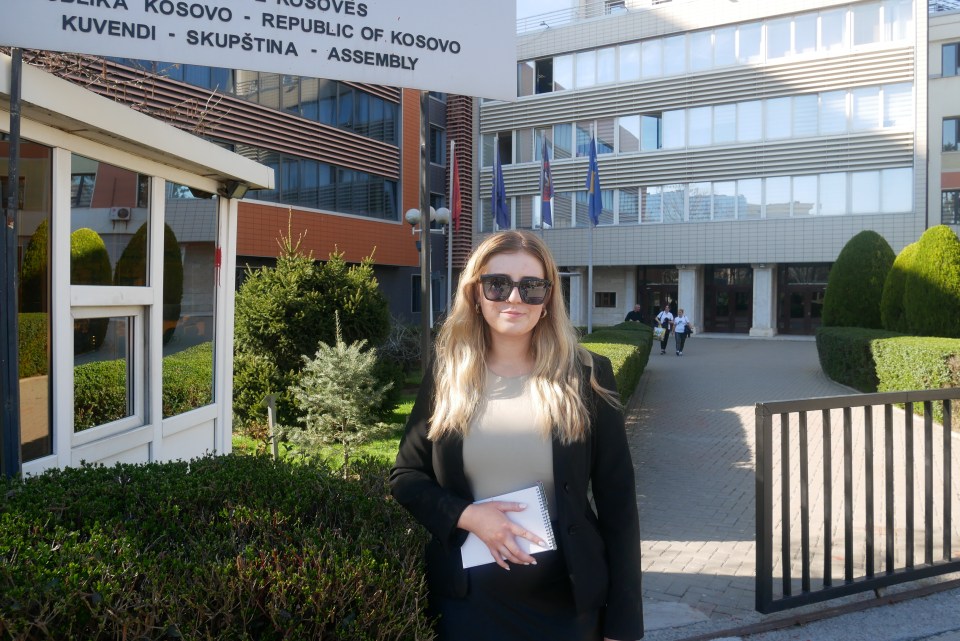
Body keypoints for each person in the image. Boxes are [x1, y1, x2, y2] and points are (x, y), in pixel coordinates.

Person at [391, 230, 643, 641]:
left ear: (547, 300)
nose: (514, 298)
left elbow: (619, 504)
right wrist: (467, 516)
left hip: (568, 601)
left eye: (531, 287)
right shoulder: (447, 376)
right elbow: (406, 476)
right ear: (476, 294)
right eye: (498, 284)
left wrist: (624, 624)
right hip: (468, 600)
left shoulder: (587, 375)